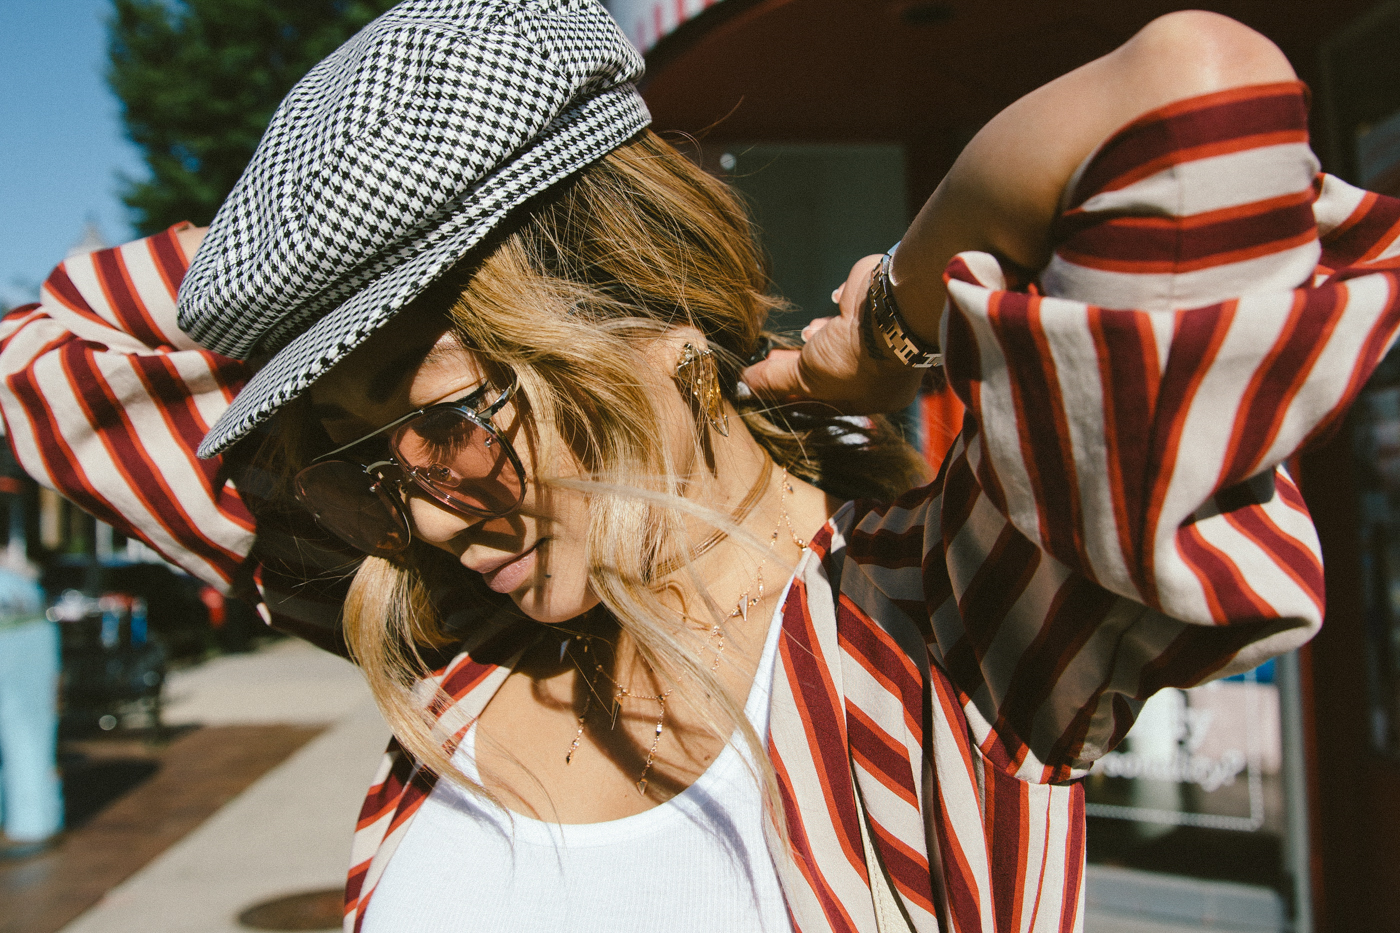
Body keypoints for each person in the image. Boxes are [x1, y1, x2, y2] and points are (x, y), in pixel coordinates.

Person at [1, 1, 1396, 929]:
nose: (416, 502)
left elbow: (1190, 103)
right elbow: (40, 347)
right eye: (352, 457)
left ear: (646, 307)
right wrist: (330, 278)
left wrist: (899, 325)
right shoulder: (455, 630)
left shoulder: (938, 618)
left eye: (443, 414)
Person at [0, 565, 61, 858]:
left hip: (18, 632)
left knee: (26, 734)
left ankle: (32, 823)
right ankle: (34, 820)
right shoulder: (18, 582)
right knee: (28, 735)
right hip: (28, 630)